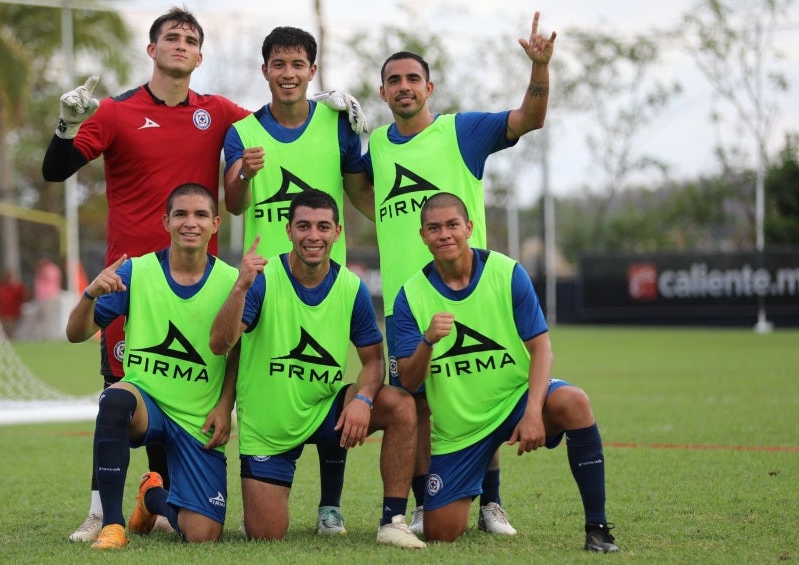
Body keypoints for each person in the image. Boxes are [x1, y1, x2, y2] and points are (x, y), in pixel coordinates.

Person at [42, 8, 367, 542]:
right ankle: (103, 510)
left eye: (191, 40)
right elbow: (56, 169)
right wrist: (67, 124)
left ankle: (161, 496)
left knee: (192, 378)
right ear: (152, 50)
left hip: (203, 281)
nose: (181, 45)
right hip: (134, 279)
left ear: (200, 56)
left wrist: (334, 110)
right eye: (171, 37)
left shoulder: (218, 113)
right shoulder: (117, 112)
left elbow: (282, 116)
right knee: (126, 389)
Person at [363, 11, 557, 536]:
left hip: (470, 294)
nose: (404, 88)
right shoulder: (376, 146)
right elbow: (362, 194)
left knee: (479, 396)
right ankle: (428, 501)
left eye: (412, 79)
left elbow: (529, 119)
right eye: (394, 80)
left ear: (430, 86)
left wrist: (539, 70)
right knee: (421, 406)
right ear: (382, 91)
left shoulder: (461, 131)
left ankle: (492, 502)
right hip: (409, 301)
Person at [393, 193, 619, 552]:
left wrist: (532, 413)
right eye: (434, 228)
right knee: (441, 531)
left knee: (574, 402)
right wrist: (427, 341)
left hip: (514, 401)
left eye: (452, 225)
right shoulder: (410, 295)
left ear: (468, 227)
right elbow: (407, 381)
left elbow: (541, 347)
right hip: (460, 429)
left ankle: (598, 527)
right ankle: (472, 495)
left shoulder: (506, 272)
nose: (444, 234)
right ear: (423, 235)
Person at [209, 191, 425, 549]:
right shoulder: (264, 278)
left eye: (323, 227)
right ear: (289, 230)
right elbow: (222, 345)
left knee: (401, 403)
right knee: (266, 533)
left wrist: (365, 399)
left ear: (337, 231)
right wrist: (241, 287)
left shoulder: (351, 287)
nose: (314, 236)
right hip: (269, 425)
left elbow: (373, 360)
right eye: (304, 226)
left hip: (326, 409)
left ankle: (392, 520)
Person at [221, 25, 372, 535]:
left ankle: (331, 504)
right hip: (266, 278)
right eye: (278, 65)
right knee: (266, 377)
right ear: (265, 70)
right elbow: (233, 203)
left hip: (329, 281)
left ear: (313, 69)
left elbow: (363, 198)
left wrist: (372, 144)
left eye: (298, 64)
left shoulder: (338, 125)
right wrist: (243, 171)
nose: (288, 74)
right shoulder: (243, 131)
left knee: (326, 379)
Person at [65, 184, 239, 550]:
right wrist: (90, 294)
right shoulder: (136, 272)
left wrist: (225, 405)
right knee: (114, 398)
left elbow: (238, 351)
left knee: (202, 534)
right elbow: (75, 333)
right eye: (180, 215)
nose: (190, 223)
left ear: (215, 224)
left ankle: (151, 498)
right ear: (166, 222)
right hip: (146, 405)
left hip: (196, 416)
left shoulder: (231, 281)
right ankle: (113, 525)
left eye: (200, 215)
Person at [0, 270, 28, 339]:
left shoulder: (17, 288)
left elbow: (24, 297)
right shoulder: (0, 288)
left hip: (13, 316)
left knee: (12, 335)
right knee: (2, 335)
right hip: (2, 316)